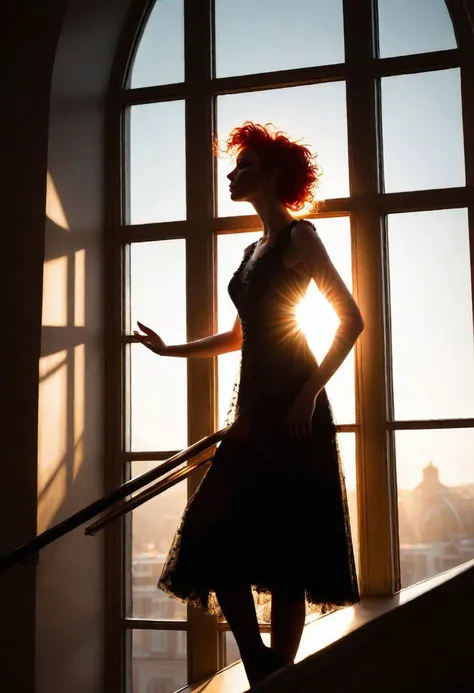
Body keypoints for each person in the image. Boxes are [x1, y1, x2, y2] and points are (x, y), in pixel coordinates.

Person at [133, 121, 363, 687]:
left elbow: (350, 320)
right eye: (234, 167)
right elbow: (240, 335)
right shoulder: (252, 249)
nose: (232, 175)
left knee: (288, 551)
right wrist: (170, 352)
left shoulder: (299, 238)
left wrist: (307, 397)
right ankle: (262, 662)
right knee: (211, 535)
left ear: (275, 176)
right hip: (256, 406)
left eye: (245, 166)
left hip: (293, 407)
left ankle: (274, 676)